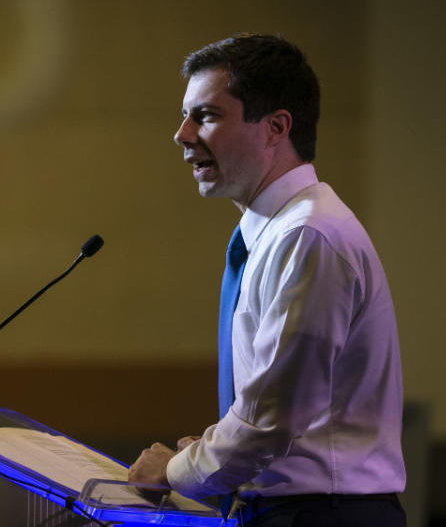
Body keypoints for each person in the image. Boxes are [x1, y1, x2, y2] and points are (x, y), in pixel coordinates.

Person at [128, 34, 406, 526]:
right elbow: (277, 413)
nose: (182, 134)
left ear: (275, 127)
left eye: (206, 116)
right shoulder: (279, 232)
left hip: (321, 516)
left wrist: (172, 471)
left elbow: (270, 421)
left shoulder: (309, 236)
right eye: (186, 115)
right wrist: (214, 450)